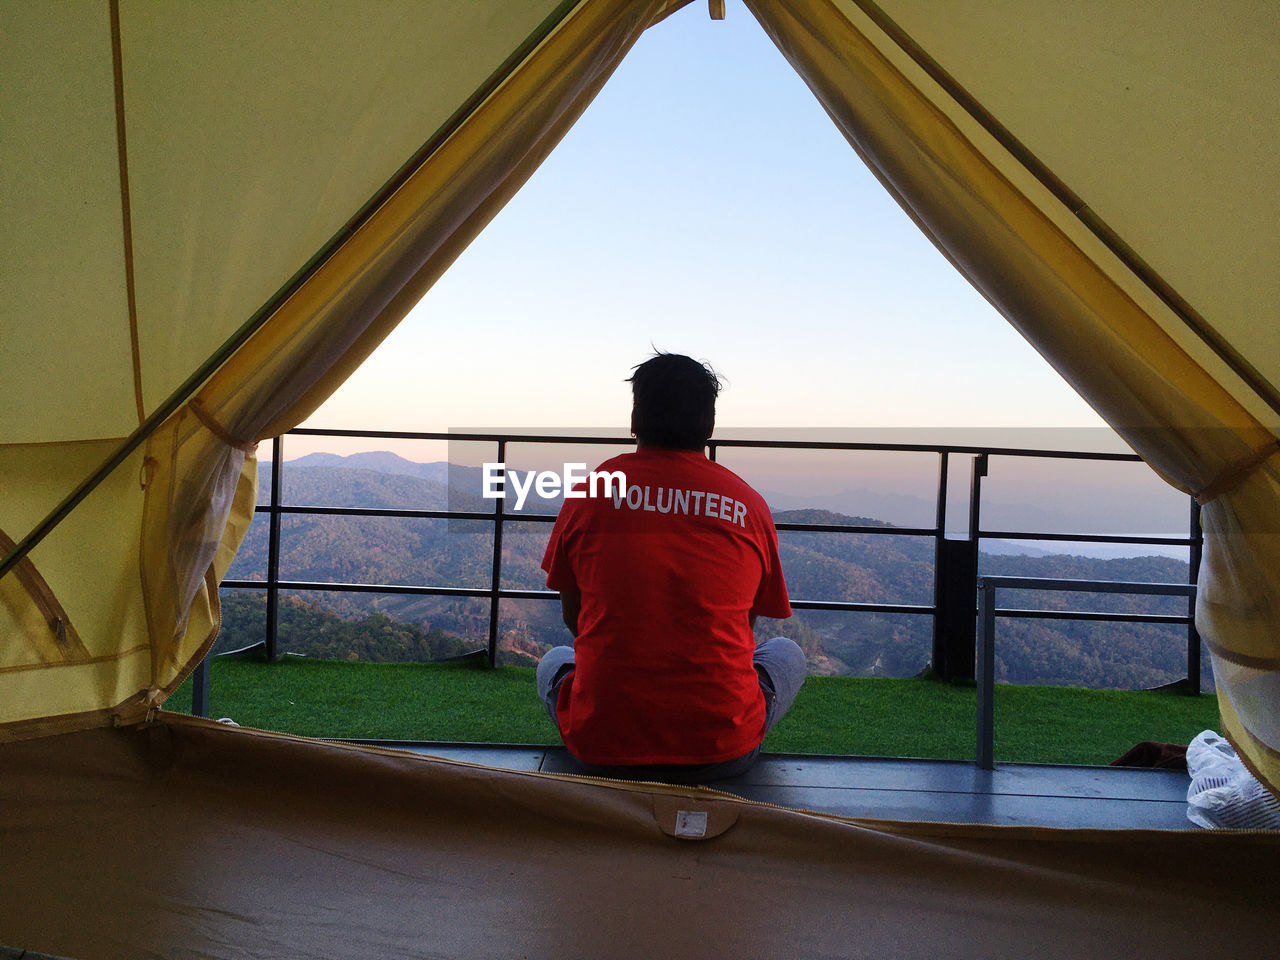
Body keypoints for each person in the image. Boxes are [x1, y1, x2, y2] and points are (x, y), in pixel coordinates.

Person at [536, 352, 806, 782]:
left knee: (554, 659)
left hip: (602, 746)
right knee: (787, 653)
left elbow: (576, 617)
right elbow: (745, 625)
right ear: (709, 427)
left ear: (634, 421)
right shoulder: (749, 505)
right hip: (721, 750)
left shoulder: (592, 491)